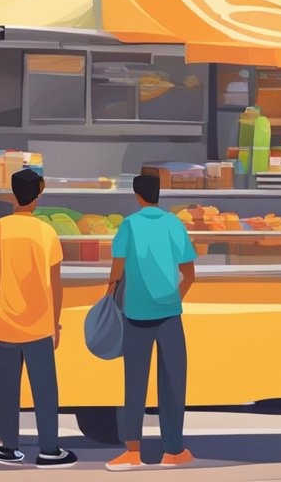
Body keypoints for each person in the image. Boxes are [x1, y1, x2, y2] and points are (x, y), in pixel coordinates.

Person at [0, 169, 77, 469]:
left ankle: (9, 447)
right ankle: (49, 450)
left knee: (7, 391)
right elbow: (56, 284)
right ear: (40, 193)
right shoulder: (47, 233)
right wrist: (56, 323)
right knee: (45, 391)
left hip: (6, 325)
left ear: (11, 195)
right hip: (40, 326)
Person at [104, 174, 197, 471]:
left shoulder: (129, 225)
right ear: (160, 194)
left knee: (134, 384)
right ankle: (174, 450)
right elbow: (191, 274)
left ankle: (132, 452)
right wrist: (173, 298)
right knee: (173, 383)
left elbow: (117, 270)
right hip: (170, 315)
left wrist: (108, 296)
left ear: (136, 195)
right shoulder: (174, 224)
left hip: (136, 315)